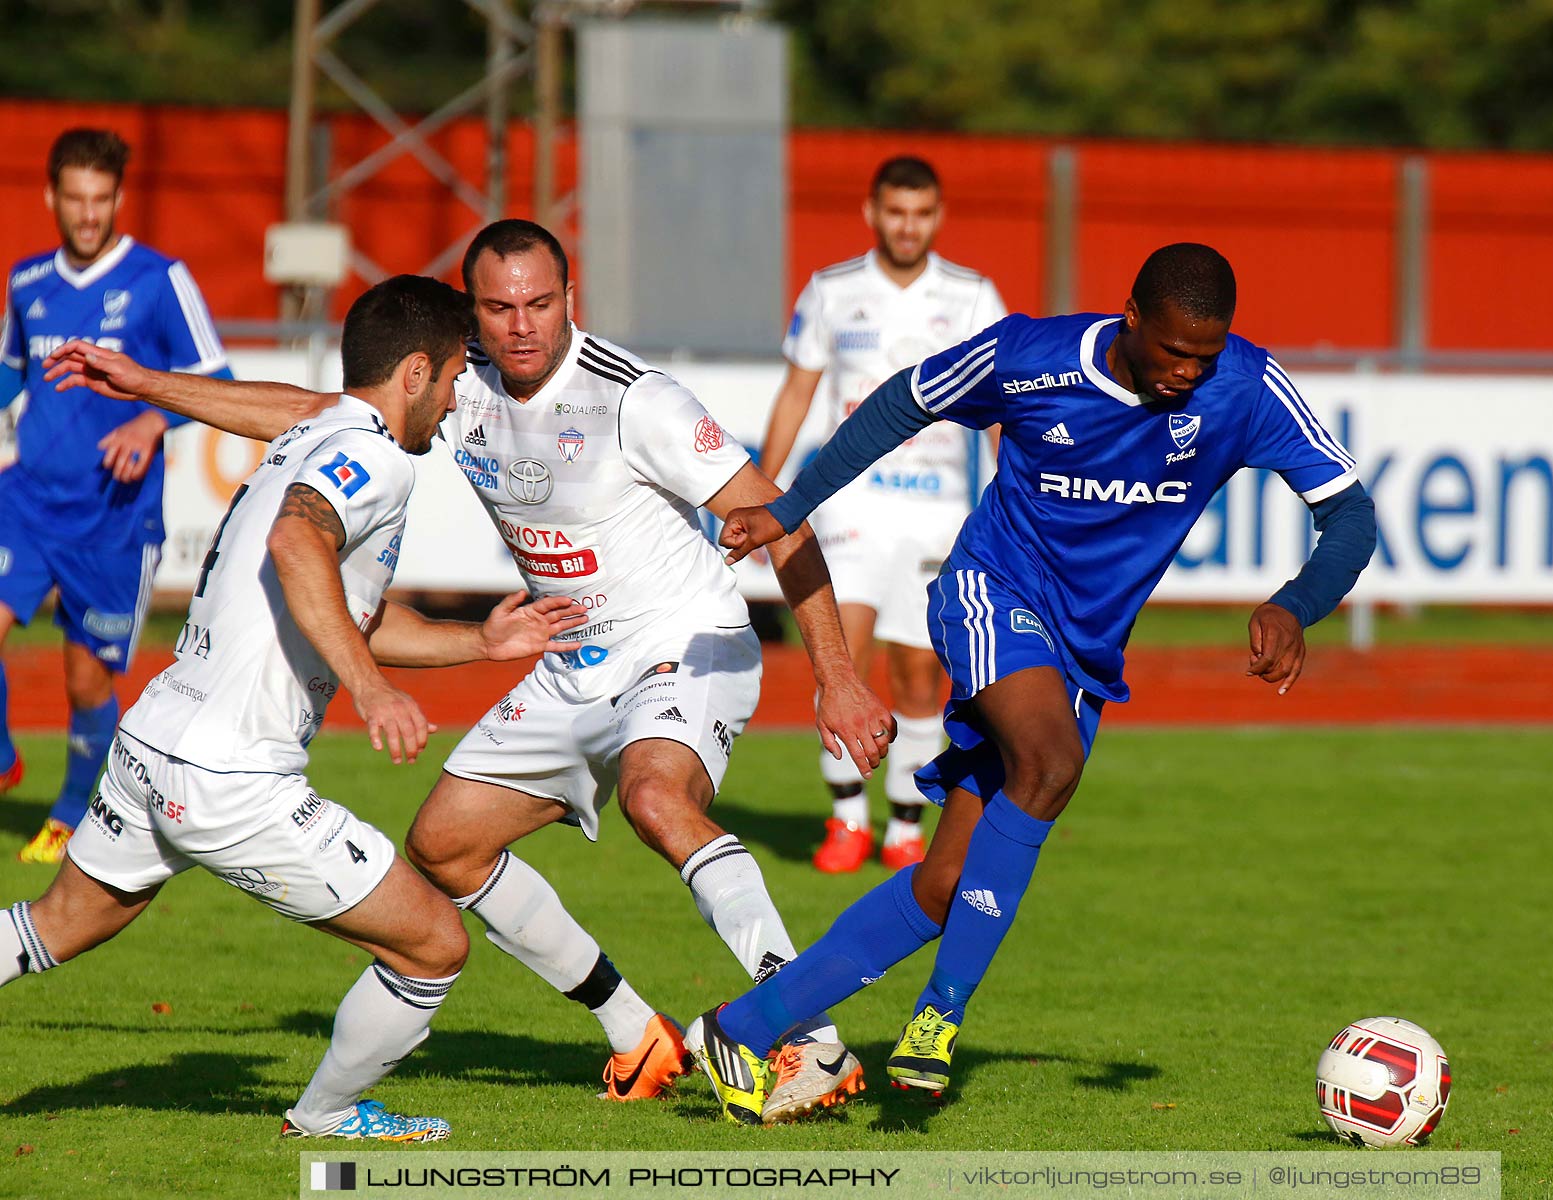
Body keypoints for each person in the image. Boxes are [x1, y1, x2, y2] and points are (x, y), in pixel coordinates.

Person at [44, 220, 894, 1123]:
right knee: (445, 846)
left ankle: (811, 1031)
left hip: (681, 642)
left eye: (540, 303)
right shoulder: (466, 382)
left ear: (573, 300)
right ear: (472, 318)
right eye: (499, 307)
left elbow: (783, 521)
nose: (522, 325)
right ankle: (633, 1027)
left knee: (655, 797)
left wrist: (834, 675)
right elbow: (314, 412)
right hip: (571, 658)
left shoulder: (638, 401)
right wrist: (151, 387)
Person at [684, 243, 1380, 1124]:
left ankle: (739, 1029)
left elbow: (1350, 511)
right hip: (990, 592)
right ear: (1131, 314)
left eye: (1204, 356)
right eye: (1173, 351)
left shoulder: (1243, 388)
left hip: (1083, 654)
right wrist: (787, 507)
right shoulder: (1029, 358)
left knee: (946, 885)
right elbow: (901, 402)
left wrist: (1297, 603)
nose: (1187, 373)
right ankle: (938, 1019)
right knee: (1047, 763)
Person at [0, 276, 585, 1141]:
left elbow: (348, 592)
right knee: (433, 944)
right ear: (417, 372)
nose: (462, 395)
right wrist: (372, 688)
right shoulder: (377, 456)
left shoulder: (323, 425)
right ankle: (329, 1114)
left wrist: (479, 643)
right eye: (460, 373)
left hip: (155, 737)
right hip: (231, 775)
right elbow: (295, 539)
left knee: (54, 926)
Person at [760, 156, 1005, 875]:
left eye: (922, 213)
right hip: (851, 503)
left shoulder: (971, 296)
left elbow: (999, 409)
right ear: (872, 213)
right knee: (843, 658)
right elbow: (798, 393)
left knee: (921, 673)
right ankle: (846, 822)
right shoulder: (833, 291)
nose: (908, 226)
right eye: (896, 212)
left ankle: (904, 826)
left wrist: (1013, 495)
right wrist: (768, 496)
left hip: (937, 507)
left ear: (939, 216)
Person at [0, 128, 233, 864]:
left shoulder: (160, 280)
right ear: (52, 199)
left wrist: (148, 419)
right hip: (28, 499)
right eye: (75, 198)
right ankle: (4, 760)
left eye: (102, 199)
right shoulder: (27, 282)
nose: (89, 213)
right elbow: (12, 374)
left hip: (113, 519)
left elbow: (217, 383)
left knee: (83, 676)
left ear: (118, 199)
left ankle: (73, 810)